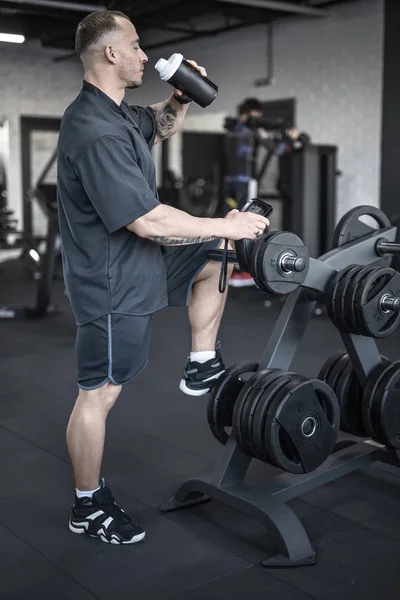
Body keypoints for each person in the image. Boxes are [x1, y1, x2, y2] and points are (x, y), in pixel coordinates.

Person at [56, 10, 270, 546]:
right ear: (110, 53)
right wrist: (229, 219)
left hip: (139, 261)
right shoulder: (93, 129)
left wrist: (178, 100)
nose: (145, 55)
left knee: (217, 250)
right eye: (136, 44)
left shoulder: (119, 113)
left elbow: (157, 122)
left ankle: (201, 363)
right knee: (100, 393)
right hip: (110, 282)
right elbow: (147, 220)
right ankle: (88, 506)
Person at [223, 98, 264, 288]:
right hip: (242, 182)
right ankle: (239, 269)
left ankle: (229, 267)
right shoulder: (246, 133)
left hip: (229, 182)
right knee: (244, 223)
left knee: (230, 220)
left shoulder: (232, 132)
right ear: (249, 113)